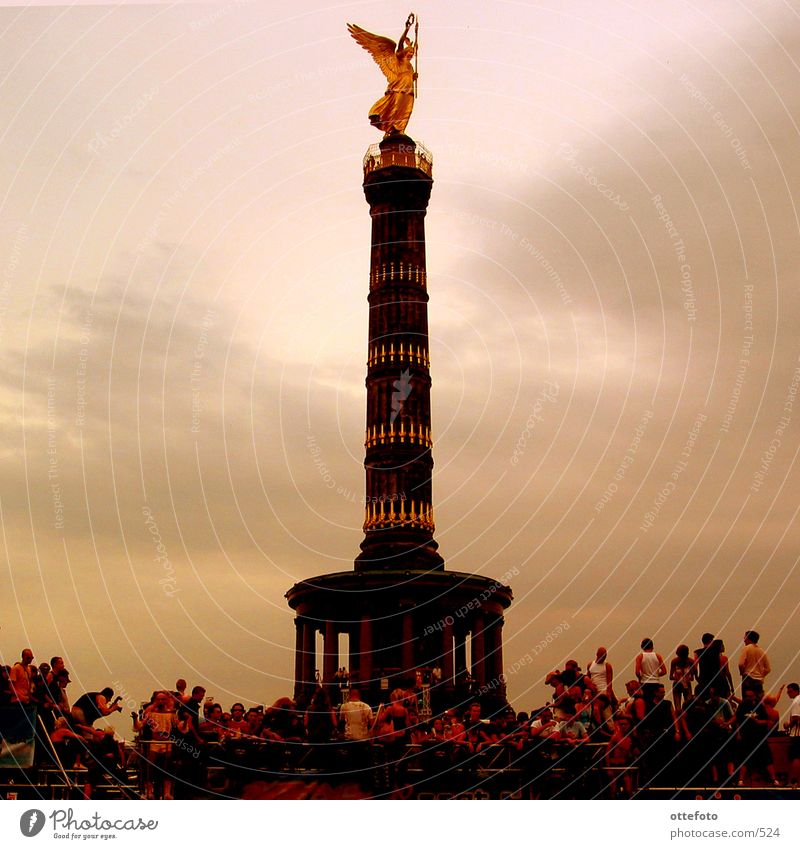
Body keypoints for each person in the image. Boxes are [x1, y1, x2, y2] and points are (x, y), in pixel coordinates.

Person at [347, 15, 418, 136]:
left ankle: (400, 130)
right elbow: (400, 44)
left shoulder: (411, 67)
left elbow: (410, 76)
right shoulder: (398, 60)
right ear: (405, 52)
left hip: (409, 90)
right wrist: (407, 29)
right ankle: (390, 127)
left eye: (412, 52)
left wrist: (413, 77)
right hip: (398, 89)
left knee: (408, 109)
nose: (411, 54)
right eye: (410, 51)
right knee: (395, 108)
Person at [738, 631, 771, 696]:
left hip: (748, 678)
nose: (744, 640)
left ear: (748, 638)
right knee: (757, 702)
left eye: (745, 638)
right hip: (758, 681)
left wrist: (742, 672)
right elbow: (768, 669)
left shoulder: (746, 648)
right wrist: (761, 675)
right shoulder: (761, 651)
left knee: (747, 702)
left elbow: (741, 664)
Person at [669, 644, 695, 712]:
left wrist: (687, 678)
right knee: (678, 708)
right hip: (678, 685)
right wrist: (679, 678)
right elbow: (671, 677)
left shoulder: (691, 662)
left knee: (688, 706)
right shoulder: (674, 661)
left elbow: (692, 677)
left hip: (687, 685)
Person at [784, 682, 800, 789]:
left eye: (790, 691)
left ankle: (794, 781)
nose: (788, 694)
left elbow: (796, 718)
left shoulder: (796, 701)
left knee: (796, 757)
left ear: (795, 691)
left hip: (797, 734)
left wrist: (787, 725)